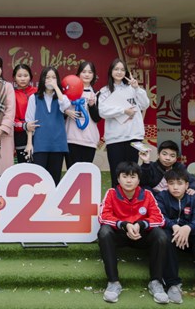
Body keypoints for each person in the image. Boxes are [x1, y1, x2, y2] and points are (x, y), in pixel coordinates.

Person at [97, 161, 168, 304]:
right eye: (124, 176)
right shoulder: (111, 193)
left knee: (160, 235)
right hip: (120, 235)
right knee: (104, 232)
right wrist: (124, 225)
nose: (128, 180)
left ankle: (156, 282)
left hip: (142, 235)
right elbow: (103, 216)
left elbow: (159, 218)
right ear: (118, 179)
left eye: (133, 176)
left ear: (139, 179)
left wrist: (141, 224)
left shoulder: (147, 194)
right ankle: (113, 282)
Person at [156, 169, 195, 306]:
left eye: (179, 183)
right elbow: (159, 216)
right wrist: (174, 226)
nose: (175, 187)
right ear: (167, 185)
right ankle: (172, 284)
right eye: (171, 183)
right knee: (165, 237)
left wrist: (188, 228)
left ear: (187, 185)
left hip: (190, 234)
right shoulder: (161, 197)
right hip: (172, 233)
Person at [98, 58, 150, 188]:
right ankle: (116, 199)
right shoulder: (105, 91)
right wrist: (123, 111)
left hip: (134, 136)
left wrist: (137, 88)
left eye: (122, 69)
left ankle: (132, 199)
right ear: (111, 71)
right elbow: (102, 112)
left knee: (132, 173)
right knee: (117, 173)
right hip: (115, 139)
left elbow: (145, 104)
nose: (119, 72)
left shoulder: (132, 88)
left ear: (126, 72)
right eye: (116, 69)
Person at [24, 66, 70, 185]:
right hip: (40, 144)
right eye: (47, 77)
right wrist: (29, 144)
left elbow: (65, 106)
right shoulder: (34, 98)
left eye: (54, 78)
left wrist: (56, 88)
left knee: (54, 180)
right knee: (38, 181)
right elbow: (29, 122)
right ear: (42, 79)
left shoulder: (61, 98)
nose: (50, 80)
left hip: (58, 145)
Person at [64, 61, 101, 168]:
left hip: (89, 140)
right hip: (71, 138)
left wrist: (92, 105)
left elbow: (97, 118)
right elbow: (59, 113)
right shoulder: (68, 92)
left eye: (90, 72)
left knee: (85, 173)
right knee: (72, 172)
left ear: (94, 75)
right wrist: (66, 112)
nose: (87, 74)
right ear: (78, 74)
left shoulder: (97, 93)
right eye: (84, 72)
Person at [12, 64, 37, 164]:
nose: (23, 79)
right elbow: (11, 118)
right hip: (20, 134)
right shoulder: (11, 94)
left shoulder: (37, 92)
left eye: (25, 75)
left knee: (39, 167)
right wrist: (24, 125)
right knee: (24, 167)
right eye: (19, 76)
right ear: (14, 78)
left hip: (38, 132)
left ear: (30, 77)